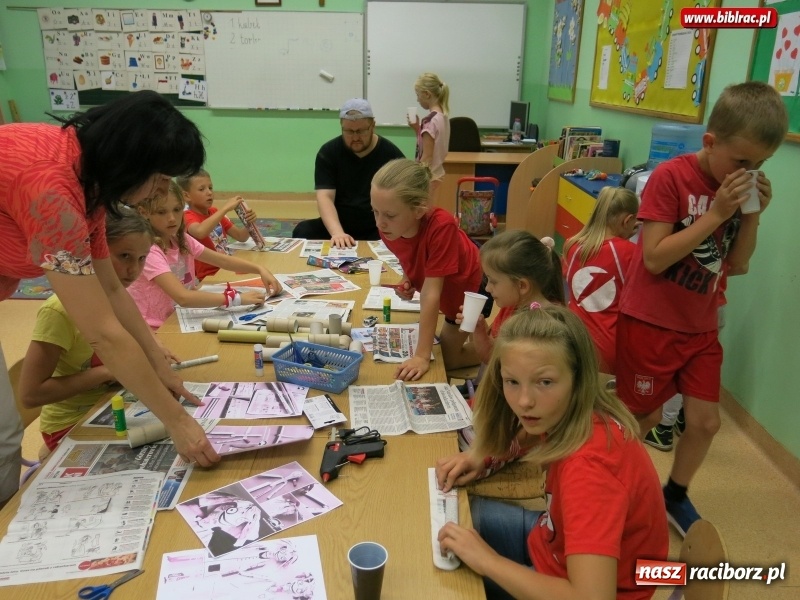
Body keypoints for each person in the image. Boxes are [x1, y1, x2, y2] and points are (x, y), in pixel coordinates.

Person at [0, 92, 221, 503]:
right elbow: (103, 331)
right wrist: (176, 422)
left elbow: (113, 289)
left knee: (3, 433)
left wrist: (159, 364)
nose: (160, 191)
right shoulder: (54, 191)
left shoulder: (88, 183)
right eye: (158, 178)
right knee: (2, 437)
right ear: (131, 158)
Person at [615, 81, 788, 537]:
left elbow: (740, 263)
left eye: (761, 165)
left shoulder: (738, 192)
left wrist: (750, 216)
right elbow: (653, 256)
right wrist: (715, 214)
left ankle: (674, 493)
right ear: (710, 143)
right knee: (644, 417)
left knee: (707, 422)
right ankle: (605, 478)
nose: (749, 173)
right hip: (650, 321)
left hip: (701, 325)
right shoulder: (670, 178)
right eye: (743, 162)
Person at [435, 306, 668, 600]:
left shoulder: (589, 471)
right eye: (512, 381)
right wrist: (485, 456)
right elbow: (531, 435)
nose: (524, 401)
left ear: (578, 378)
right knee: (454, 515)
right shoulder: (572, 412)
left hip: (579, 586)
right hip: (552, 542)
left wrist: (488, 562)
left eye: (544, 382)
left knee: (443, 583)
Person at [18, 208, 168, 452]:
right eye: (125, 256)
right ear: (95, 252)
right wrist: (110, 371)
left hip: (112, 403)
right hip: (71, 423)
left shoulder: (121, 299)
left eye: (142, 258)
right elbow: (30, 395)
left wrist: (154, 349)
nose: (134, 270)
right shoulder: (59, 311)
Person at [371, 158, 489, 381]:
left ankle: (500, 348)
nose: (380, 223)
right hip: (447, 289)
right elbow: (410, 255)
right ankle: (483, 337)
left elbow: (431, 293)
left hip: (473, 288)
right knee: (450, 353)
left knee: (449, 360)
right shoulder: (390, 229)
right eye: (375, 211)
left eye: (389, 215)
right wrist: (408, 279)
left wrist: (422, 356)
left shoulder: (441, 226)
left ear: (418, 210)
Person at [129, 181, 282, 329]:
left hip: (180, 316)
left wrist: (260, 269)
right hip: (158, 327)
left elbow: (223, 261)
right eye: (162, 212)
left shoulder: (179, 238)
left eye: (177, 210)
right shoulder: (149, 250)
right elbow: (183, 297)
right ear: (144, 213)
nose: (171, 218)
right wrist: (236, 299)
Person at [292, 98, 404, 247]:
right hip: (339, 223)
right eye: (349, 131)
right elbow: (325, 196)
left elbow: (404, 199)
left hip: (376, 227)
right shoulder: (328, 152)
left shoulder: (391, 154)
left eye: (361, 131)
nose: (356, 137)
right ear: (341, 127)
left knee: (401, 237)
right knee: (302, 231)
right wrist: (337, 233)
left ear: (373, 126)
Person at [451, 230, 564, 375]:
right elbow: (491, 356)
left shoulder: (545, 326)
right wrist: (478, 328)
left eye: (493, 281)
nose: (487, 288)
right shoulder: (511, 308)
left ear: (522, 286)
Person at [562, 186, 639, 373]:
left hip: (572, 338)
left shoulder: (572, 245)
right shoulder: (629, 251)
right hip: (609, 346)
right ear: (628, 220)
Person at [178, 169, 258, 280]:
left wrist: (249, 222)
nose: (209, 192)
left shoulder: (215, 212)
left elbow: (241, 236)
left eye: (210, 188)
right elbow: (200, 232)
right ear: (186, 196)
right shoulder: (186, 216)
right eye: (202, 189)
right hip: (209, 276)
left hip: (227, 267)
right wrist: (225, 209)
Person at [408, 73, 450, 197]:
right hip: (438, 174)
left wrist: (414, 179)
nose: (417, 99)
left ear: (426, 94)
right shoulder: (443, 117)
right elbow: (428, 145)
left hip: (428, 179)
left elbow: (426, 157)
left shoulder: (429, 121)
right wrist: (417, 128)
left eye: (418, 95)